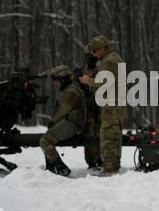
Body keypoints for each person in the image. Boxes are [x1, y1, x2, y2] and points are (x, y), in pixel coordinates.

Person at [79, 35, 126, 176]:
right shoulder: (112, 58)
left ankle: (109, 168)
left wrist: (88, 80)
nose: (93, 55)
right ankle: (113, 166)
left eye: (94, 52)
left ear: (101, 49)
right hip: (115, 102)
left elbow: (104, 81)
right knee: (114, 134)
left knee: (108, 135)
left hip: (112, 104)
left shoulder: (109, 61)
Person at [40, 65, 87, 177]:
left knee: (45, 141)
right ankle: (51, 168)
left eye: (56, 80)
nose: (55, 83)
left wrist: (53, 122)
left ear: (63, 79)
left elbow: (63, 110)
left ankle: (61, 168)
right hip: (70, 122)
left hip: (72, 123)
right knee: (47, 138)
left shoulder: (72, 91)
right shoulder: (69, 90)